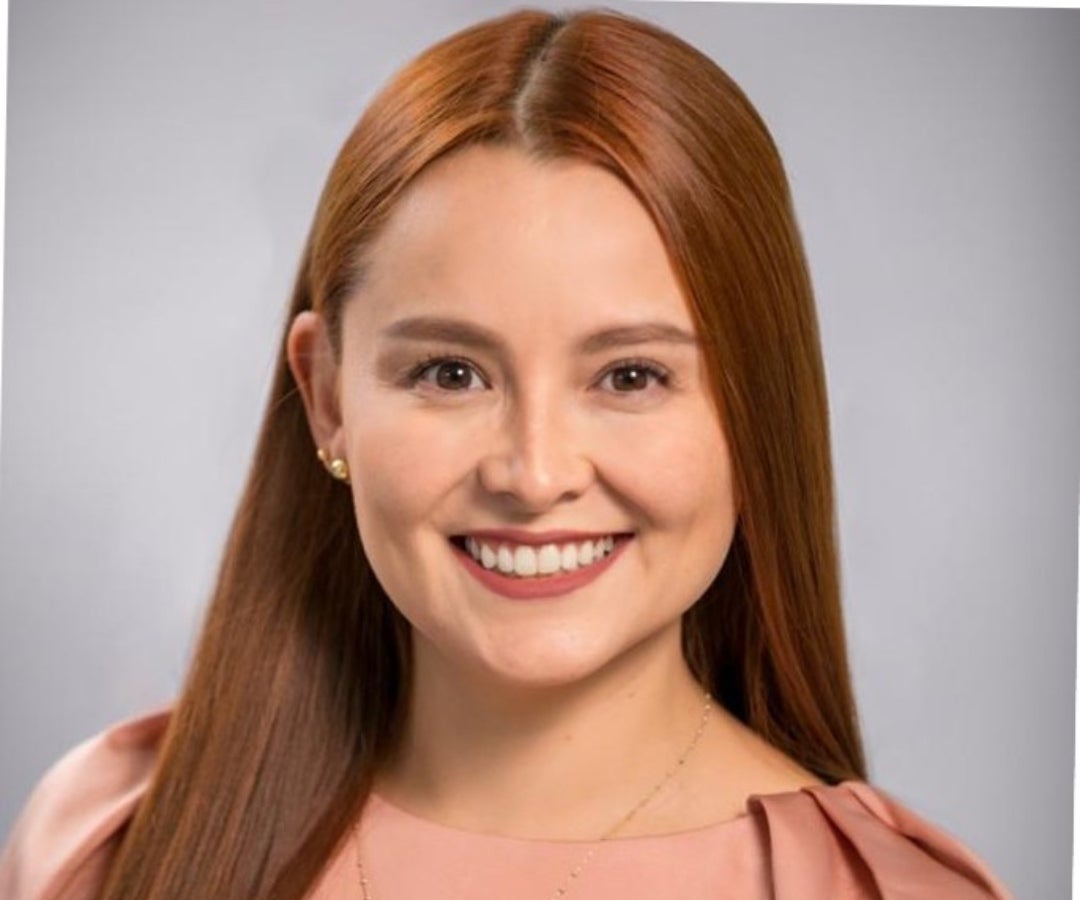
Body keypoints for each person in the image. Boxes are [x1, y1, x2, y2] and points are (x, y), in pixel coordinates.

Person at [0, 7, 1013, 899]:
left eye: (630, 376)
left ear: (758, 413)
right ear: (326, 398)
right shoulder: (99, 850)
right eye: (450, 373)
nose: (534, 475)